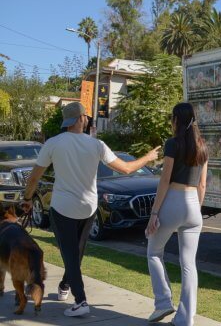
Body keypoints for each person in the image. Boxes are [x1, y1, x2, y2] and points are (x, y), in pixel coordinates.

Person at [21, 102, 160, 317]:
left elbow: (34, 178)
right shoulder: (97, 145)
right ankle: (66, 285)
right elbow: (126, 168)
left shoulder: (53, 144)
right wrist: (148, 158)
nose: (87, 119)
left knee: (70, 254)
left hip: (62, 207)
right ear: (80, 119)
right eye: (85, 116)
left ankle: (81, 300)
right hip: (88, 208)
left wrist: (28, 199)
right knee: (76, 253)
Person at [145, 102, 208, 326]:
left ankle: (163, 302)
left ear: (176, 120)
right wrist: (196, 212)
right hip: (193, 206)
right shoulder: (202, 146)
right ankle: (185, 318)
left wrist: (154, 213)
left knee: (153, 251)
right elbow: (202, 186)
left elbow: (165, 179)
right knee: (189, 264)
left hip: (173, 200)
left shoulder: (172, 144)